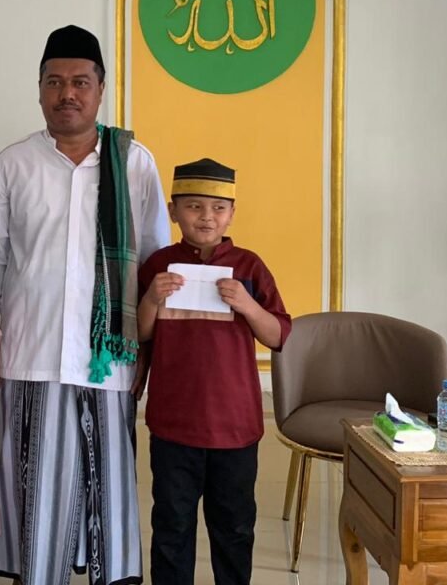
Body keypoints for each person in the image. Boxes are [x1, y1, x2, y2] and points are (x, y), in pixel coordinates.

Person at [0, 25, 170, 585]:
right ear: (39, 90)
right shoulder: (13, 163)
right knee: (33, 484)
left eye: (80, 82)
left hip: (108, 357)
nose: (67, 93)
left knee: (108, 484)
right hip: (30, 350)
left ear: (101, 88)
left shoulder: (134, 163)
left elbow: (153, 261)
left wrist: (148, 348)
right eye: (54, 82)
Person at [138, 158, 291, 585]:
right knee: (171, 526)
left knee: (235, 527)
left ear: (232, 213)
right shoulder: (159, 265)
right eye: (194, 206)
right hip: (173, 426)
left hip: (235, 427)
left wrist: (247, 305)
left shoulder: (249, 266)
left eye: (218, 208)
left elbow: (278, 335)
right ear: (173, 211)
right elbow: (140, 334)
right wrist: (151, 299)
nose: (207, 217)